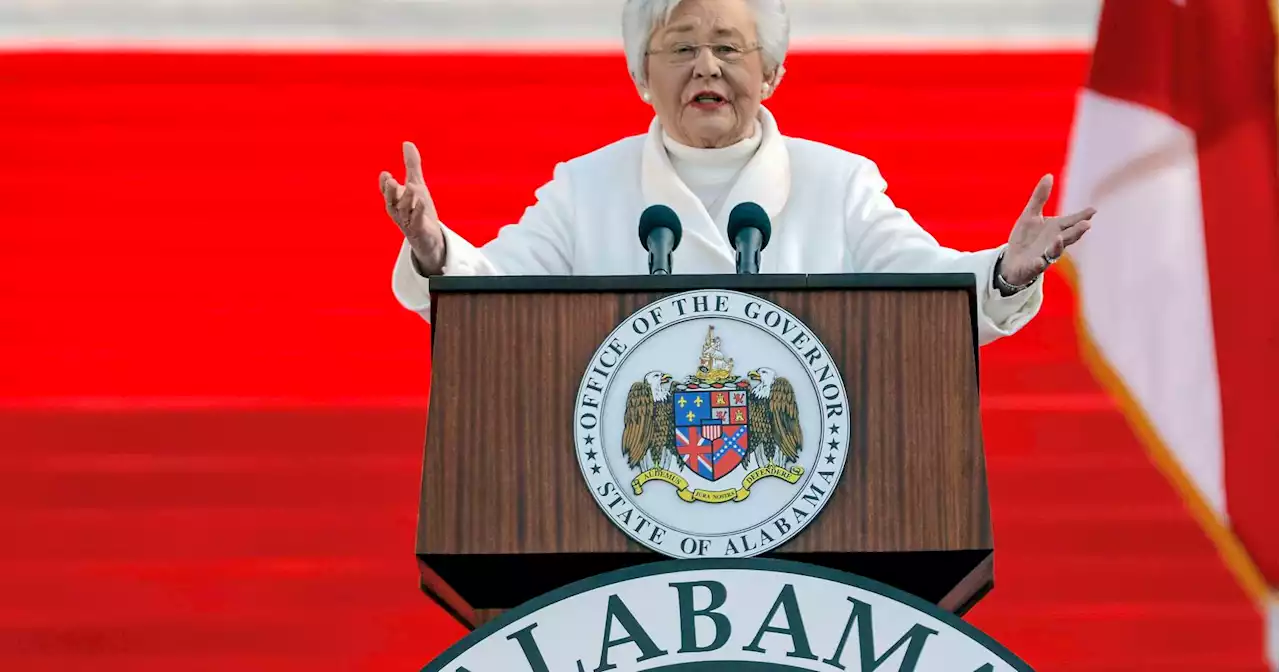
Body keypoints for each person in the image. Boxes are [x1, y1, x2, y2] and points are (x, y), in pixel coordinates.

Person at [379, 0, 1095, 345]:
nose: (706, 68)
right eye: (680, 48)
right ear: (639, 76)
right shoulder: (585, 188)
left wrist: (1005, 270)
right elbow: (493, 294)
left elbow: (927, 292)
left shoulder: (837, 184)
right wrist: (434, 249)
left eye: (728, 46)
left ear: (773, 71)